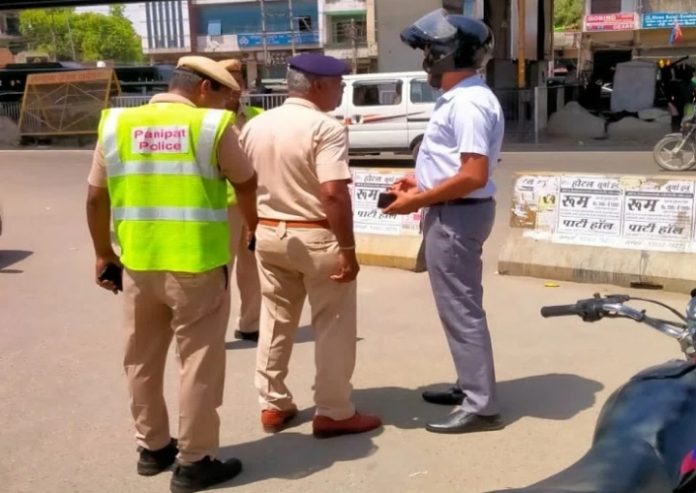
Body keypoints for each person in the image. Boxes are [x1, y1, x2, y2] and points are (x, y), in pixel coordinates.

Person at [86, 55, 258, 493]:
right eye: (224, 95)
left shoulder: (116, 124)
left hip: (138, 265)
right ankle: (195, 461)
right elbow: (246, 181)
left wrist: (104, 253)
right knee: (198, 364)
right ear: (204, 89)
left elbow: (94, 197)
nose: (227, 106)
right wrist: (254, 227)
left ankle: (153, 448)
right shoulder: (210, 128)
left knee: (141, 360)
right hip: (197, 265)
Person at [240, 53, 382, 438]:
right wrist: (349, 252)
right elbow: (334, 193)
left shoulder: (256, 126)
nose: (341, 90)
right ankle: (334, 410)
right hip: (316, 234)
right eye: (338, 83)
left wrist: (255, 228)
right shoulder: (325, 128)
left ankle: (273, 403)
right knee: (333, 324)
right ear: (319, 85)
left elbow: (243, 186)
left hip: (269, 232)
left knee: (275, 320)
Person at [385, 9, 504, 434]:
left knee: (461, 309)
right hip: (457, 211)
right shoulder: (462, 98)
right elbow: (460, 164)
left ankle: (480, 404)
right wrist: (420, 178)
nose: (425, 61)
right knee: (458, 307)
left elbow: (473, 175)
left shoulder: (469, 103)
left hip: (458, 216)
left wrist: (416, 198)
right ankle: (471, 384)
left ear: (449, 54)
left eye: (429, 51)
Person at [219, 58, 265, 342]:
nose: (236, 85)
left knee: (253, 270)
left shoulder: (258, 115)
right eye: (229, 78)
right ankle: (213, 328)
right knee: (220, 272)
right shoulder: (205, 118)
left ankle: (250, 324)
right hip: (219, 205)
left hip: (253, 203)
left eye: (239, 78)